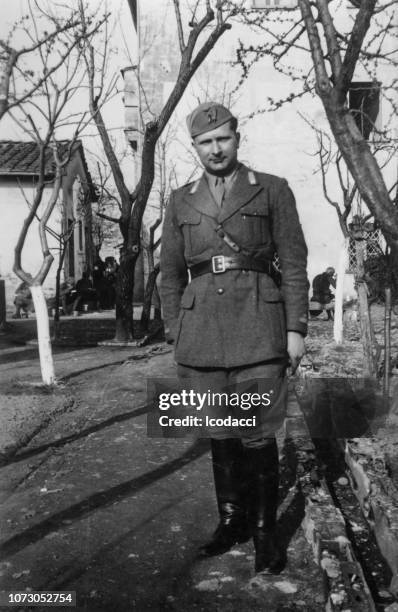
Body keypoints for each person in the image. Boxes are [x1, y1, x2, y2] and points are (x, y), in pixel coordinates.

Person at [160, 102, 309, 574]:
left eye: (222, 138)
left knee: (258, 435)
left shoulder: (272, 190)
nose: (215, 148)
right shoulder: (181, 200)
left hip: (259, 328)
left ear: (237, 137)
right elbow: (168, 276)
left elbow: (295, 266)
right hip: (201, 332)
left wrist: (295, 330)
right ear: (196, 147)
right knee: (221, 433)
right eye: (205, 142)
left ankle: (266, 536)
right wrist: (175, 328)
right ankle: (232, 522)